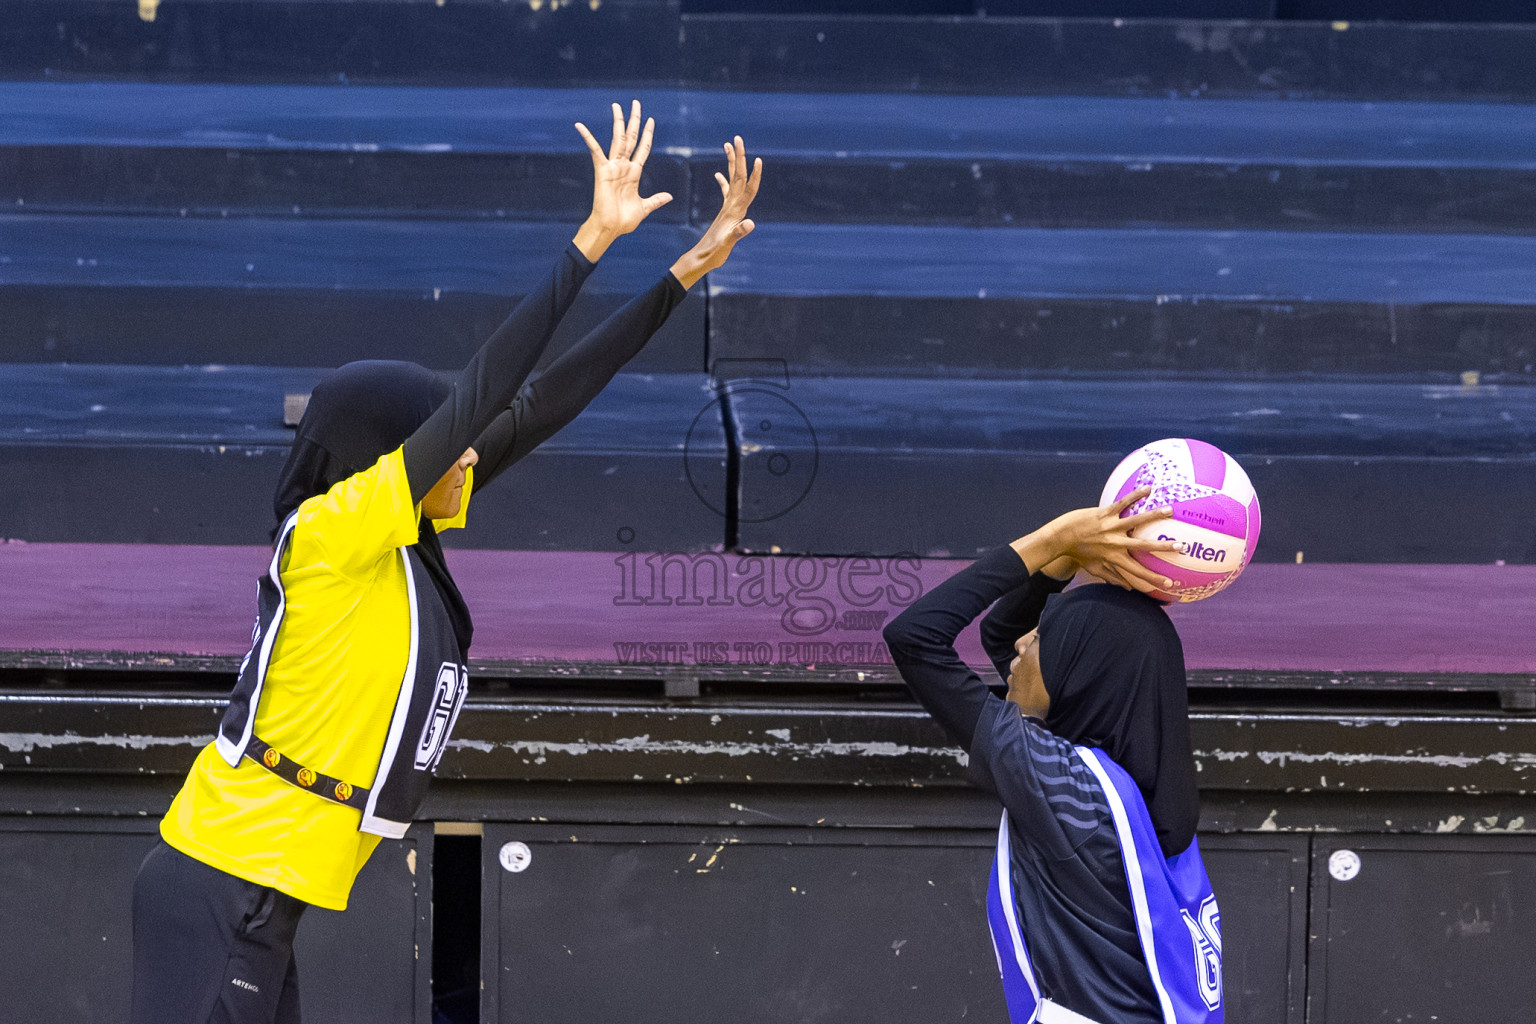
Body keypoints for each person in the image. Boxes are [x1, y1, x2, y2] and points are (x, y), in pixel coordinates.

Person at [131, 100, 763, 1024]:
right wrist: (589, 242)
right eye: (441, 441)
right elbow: (484, 396)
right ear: (382, 456)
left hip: (260, 893)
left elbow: (536, 404)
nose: (467, 454)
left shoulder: (398, 536)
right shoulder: (333, 533)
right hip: (222, 881)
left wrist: (680, 275)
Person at [883, 491, 1225, 1024]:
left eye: (1041, 639)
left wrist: (1053, 540)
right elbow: (1002, 636)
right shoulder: (1135, 789)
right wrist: (1062, 567)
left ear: (1076, 676)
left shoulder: (1064, 790)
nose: (1020, 647)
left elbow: (914, 638)